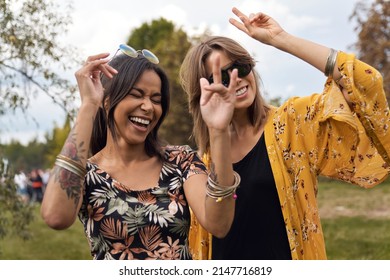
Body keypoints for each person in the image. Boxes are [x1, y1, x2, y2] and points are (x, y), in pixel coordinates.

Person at [179, 7, 390, 260]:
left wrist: (281, 39)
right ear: (202, 92)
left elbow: (366, 81)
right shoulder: (202, 161)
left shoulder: (292, 124)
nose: (236, 79)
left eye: (240, 66)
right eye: (221, 77)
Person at [40, 44, 240, 260]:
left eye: (156, 99)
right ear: (108, 100)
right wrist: (89, 104)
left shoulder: (181, 161)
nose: (148, 107)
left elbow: (218, 224)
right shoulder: (87, 175)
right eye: (137, 95)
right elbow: (55, 216)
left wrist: (219, 132)